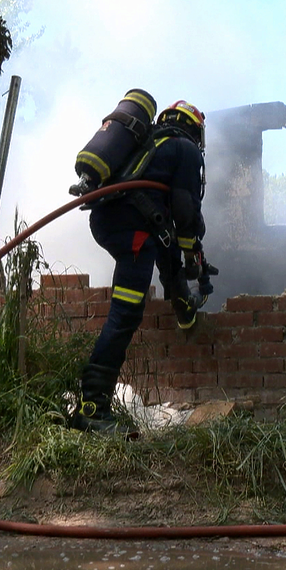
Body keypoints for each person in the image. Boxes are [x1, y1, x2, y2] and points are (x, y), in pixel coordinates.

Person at [68, 100, 210, 436]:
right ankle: (92, 407)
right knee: (126, 313)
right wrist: (195, 256)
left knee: (158, 248)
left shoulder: (149, 148)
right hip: (134, 229)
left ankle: (92, 403)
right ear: (193, 129)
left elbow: (167, 244)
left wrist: (184, 305)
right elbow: (186, 214)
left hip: (118, 222)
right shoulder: (184, 149)